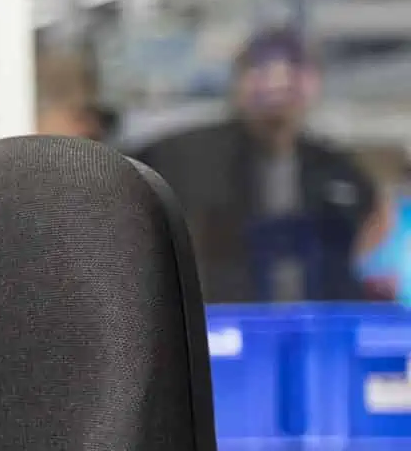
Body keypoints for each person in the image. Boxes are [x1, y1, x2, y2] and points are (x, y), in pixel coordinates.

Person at [135, 29, 381, 302]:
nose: (278, 80)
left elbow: (370, 231)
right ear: (238, 82)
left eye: (293, 68)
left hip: (316, 324)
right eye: (261, 68)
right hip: (223, 321)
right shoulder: (184, 157)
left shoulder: (338, 170)